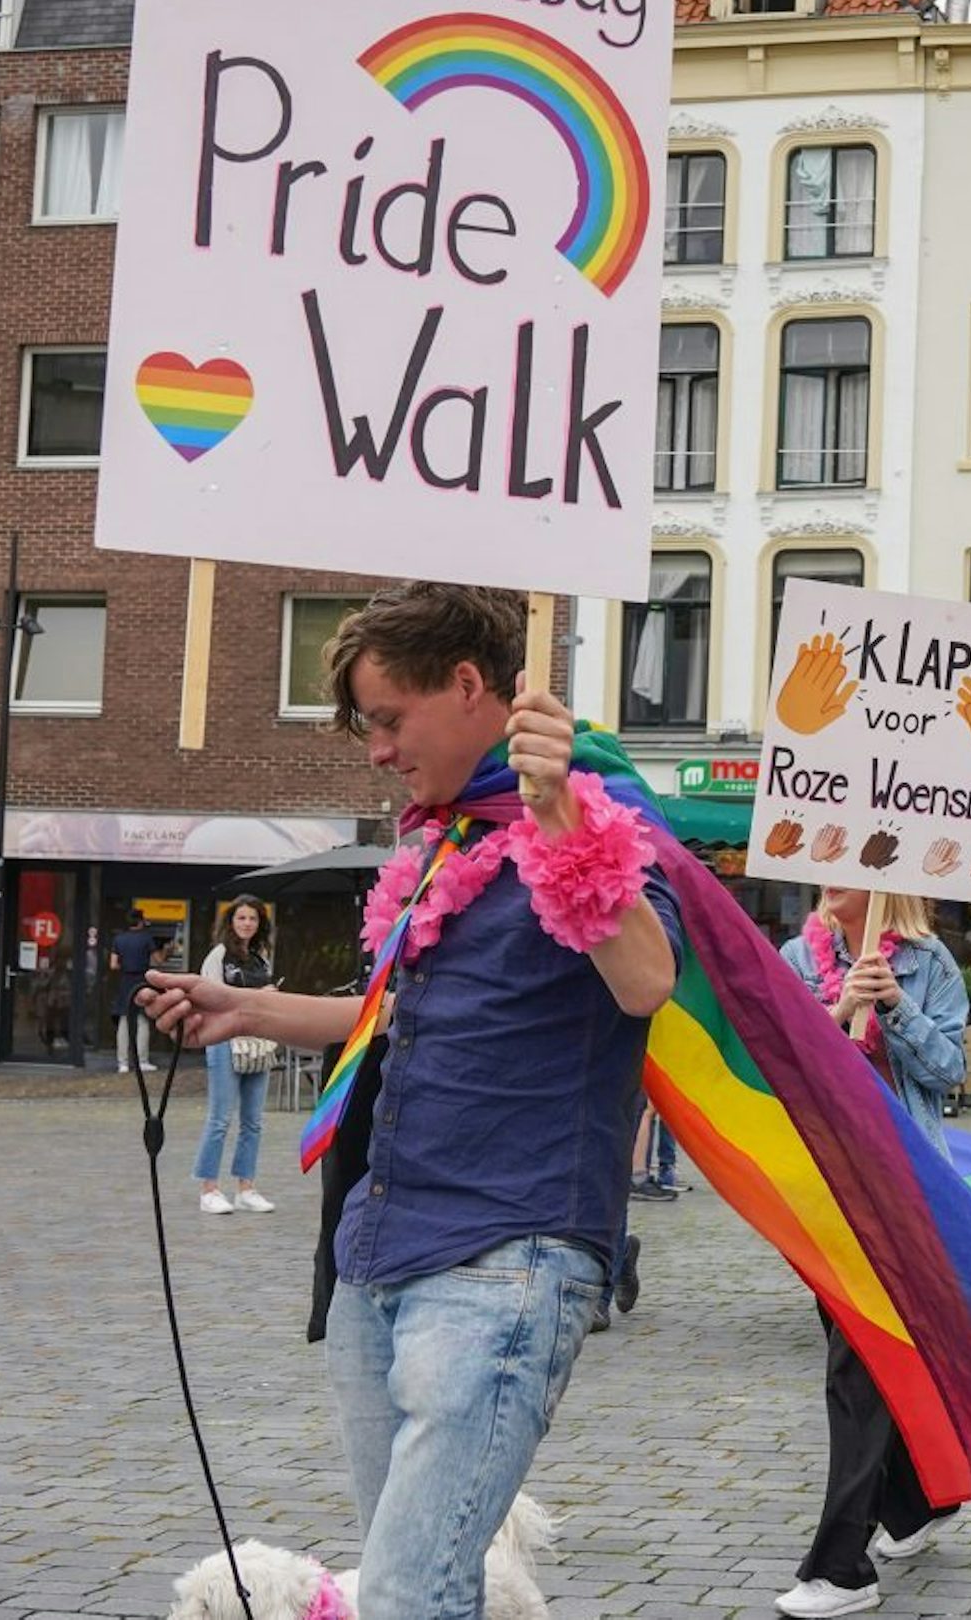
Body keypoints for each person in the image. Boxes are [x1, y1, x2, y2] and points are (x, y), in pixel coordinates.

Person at [134, 582, 681, 1620]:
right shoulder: (443, 845)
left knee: (405, 1595)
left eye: (389, 718)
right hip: (376, 1257)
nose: (377, 749)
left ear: (469, 685)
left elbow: (645, 979)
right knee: (426, 1589)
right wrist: (240, 1004)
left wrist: (561, 811)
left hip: (504, 1259)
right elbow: (388, 1018)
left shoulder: (599, 819)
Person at [773, 886, 970, 1618]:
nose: (831, 875)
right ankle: (916, 1503)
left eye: (850, 862)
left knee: (856, 1367)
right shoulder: (798, 957)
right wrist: (833, 1011)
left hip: (902, 1187)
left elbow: (950, 1072)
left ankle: (842, 1566)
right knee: (858, 1350)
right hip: (824, 1186)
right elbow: (778, 1063)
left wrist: (894, 1005)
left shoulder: (926, 964)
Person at [191, 897, 278, 1218]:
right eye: (241, 918)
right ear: (230, 922)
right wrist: (258, 997)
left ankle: (246, 1187)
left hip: (258, 1042)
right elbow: (210, 998)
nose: (246, 924)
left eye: (252, 919)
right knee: (220, 1118)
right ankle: (209, 1189)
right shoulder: (219, 956)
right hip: (225, 1041)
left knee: (254, 1121)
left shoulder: (261, 956)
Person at [108, 910, 166, 1075]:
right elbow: (158, 960)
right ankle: (142, 1061)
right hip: (141, 981)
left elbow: (113, 964)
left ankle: (123, 1063)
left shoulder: (119, 939)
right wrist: (166, 950)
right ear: (140, 922)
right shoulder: (146, 938)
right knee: (142, 1020)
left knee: (124, 1021)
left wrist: (125, 966)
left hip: (125, 981)